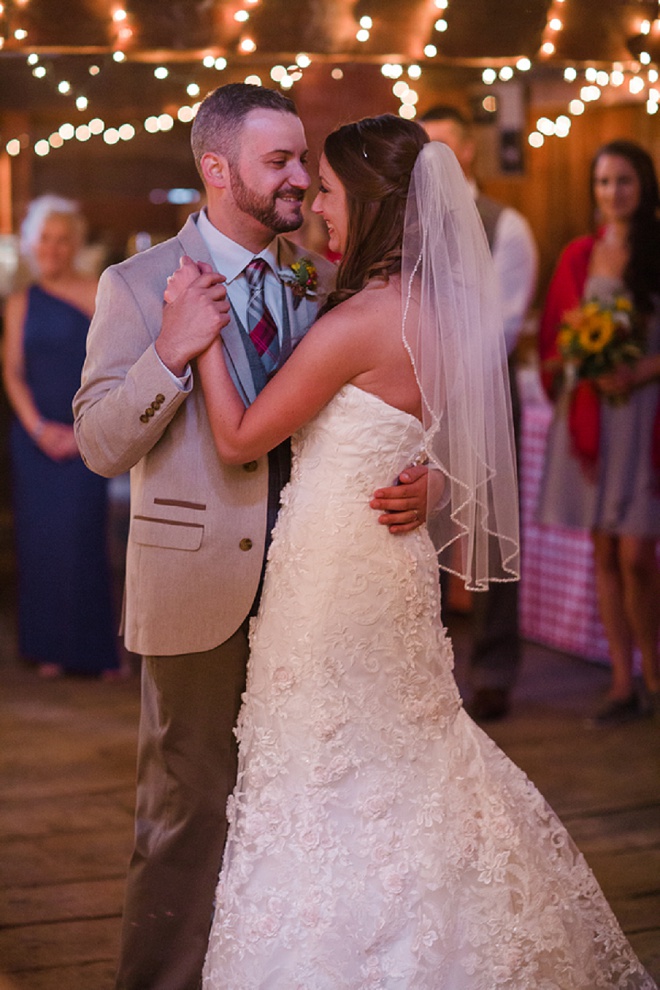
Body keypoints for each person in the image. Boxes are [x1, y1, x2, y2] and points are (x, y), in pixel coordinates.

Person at [167, 114, 655, 988]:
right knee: (406, 748)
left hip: (331, 583)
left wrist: (198, 338)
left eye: (327, 191)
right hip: (390, 572)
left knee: (325, 767)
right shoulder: (444, 313)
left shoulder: (359, 321)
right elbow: (467, 441)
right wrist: (433, 479)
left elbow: (240, 437)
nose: (315, 206)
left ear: (374, 205)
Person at [72, 84, 428, 990]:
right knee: (185, 813)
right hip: (196, 584)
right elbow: (99, 444)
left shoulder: (320, 276)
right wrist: (167, 353)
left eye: (305, 160)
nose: (303, 179)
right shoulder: (140, 284)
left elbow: (374, 408)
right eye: (282, 162)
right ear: (217, 168)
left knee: (291, 805)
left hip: (316, 589)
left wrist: (430, 483)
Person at [421, 105, 538, 721]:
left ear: (467, 151)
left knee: (491, 533)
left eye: (441, 145)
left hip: (485, 393)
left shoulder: (506, 225)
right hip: (418, 400)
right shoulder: (407, 225)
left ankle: (493, 671)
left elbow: (504, 325)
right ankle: (427, 666)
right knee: (421, 527)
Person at [538, 139, 660, 726]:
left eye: (626, 181)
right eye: (605, 181)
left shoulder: (656, 252)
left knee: (638, 550)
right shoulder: (580, 255)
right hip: (597, 409)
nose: (614, 192)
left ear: (645, 186)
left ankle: (654, 676)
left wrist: (642, 369)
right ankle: (621, 682)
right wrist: (586, 366)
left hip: (647, 411)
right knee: (606, 547)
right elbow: (558, 337)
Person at [2, 195, 120, 680]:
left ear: (76, 244)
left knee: (84, 539)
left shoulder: (99, 293)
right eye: (44, 239)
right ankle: (47, 647)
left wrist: (80, 432)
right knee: (41, 543)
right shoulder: (20, 301)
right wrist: (36, 428)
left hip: (85, 436)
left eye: (62, 239)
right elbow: (11, 372)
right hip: (33, 439)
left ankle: (96, 654)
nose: (52, 248)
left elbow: (118, 368)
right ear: (32, 245)